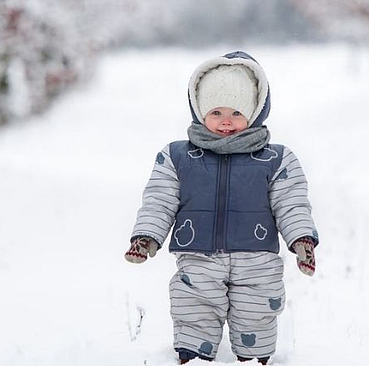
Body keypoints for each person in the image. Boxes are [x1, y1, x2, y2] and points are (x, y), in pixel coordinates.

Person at [124, 51, 319, 364]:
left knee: (256, 315)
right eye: (215, 111)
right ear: (199, 110)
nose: (226, 121)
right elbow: (159, 199)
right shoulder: (177, 157)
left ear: (255, 112)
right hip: (198, 259)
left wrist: (301, 240)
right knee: (193, 311)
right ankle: (192, 357)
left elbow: (291, 202)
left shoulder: (276, 159)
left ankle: (254, 359)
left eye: (237, 112)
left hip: (258, 261)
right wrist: (146, 236)